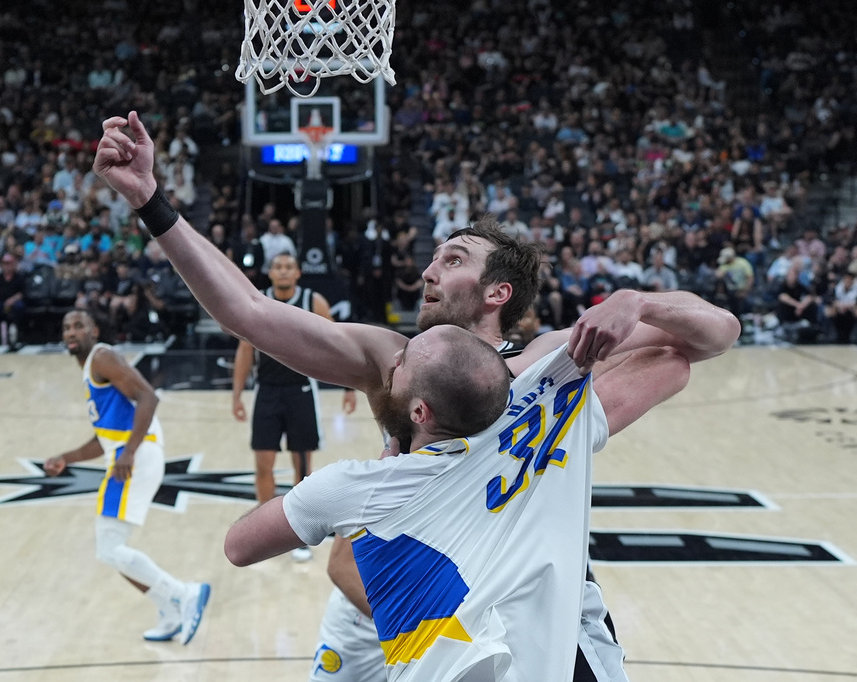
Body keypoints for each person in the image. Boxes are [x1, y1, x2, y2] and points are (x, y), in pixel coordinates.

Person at [91, 111, 740, 681]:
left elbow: (712, 338)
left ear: (498, 293)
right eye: (434, 257)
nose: (429, 269)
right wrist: (152, 202)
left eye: (453, 259)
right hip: (397, 615)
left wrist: (641, 300)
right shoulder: (391, 358)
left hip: (534, 611)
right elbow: (250, 312)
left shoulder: (551, 363)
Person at [225, 324, 686, 681]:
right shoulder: (544, 424)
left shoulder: (361, 488)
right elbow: (678, 360)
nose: (394, 361)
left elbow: (239, 545)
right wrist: (636, 304)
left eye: (402, 364)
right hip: (543, 655)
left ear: (419, 412)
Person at [44, 310, 211, 643]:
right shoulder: (91, 369)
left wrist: (130, 451)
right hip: (127, 455)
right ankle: (169, 609)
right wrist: (68, 458)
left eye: (79, 325)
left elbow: (149, 396)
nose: (71, 332)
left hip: (135, 458)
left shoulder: (102, 357)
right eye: (66, 327)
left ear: (94, 329)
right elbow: (105, 437)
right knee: (111, 548)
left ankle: (183, 594)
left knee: (108, 547)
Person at [231, 252, 357, 561]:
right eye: (278, 267)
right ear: (270, 273)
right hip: (267, 392)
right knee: (263, 464)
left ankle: (298, 535)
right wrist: (236, 395)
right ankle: (263, 532)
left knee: (302, 469)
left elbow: (339, 344)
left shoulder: (313, 301)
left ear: (298, 273)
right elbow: (245, 350)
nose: (283, 271)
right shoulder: (257, 302)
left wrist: (349, 386)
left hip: (301, 391)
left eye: (289, 267)